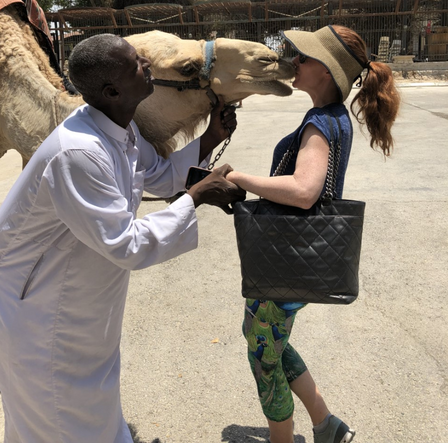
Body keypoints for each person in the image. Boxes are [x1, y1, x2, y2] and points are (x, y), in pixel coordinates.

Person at [0, 33, 245, 443]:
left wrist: (211, 138)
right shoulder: (78, 152)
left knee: (92, 408)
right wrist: (195, 198)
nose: (147, 65)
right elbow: (125, 245)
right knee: (57, 419)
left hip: (80, 302)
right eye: (137, 63)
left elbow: (161, 176)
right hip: (41, 313)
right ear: (112, 90)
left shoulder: (119, 128)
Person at [226, 25, 400, 443]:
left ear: (326, 70)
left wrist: (237, 177)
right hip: (295, 255)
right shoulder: (330, 117)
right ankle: (326, 425)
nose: (294, 62)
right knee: (264, 336)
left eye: (302, 57)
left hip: (287, 257)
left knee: (263, 355)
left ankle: (284, 439)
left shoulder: (321, 121)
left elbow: (306, 192)